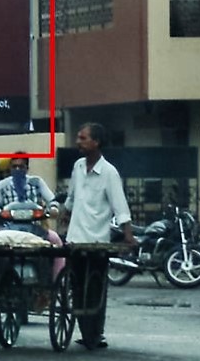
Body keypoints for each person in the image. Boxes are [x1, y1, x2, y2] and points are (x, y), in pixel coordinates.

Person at [63, 123, 134, 350]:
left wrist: (128, 235)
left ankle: (96, 333)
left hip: (97, 241)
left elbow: (120, 206)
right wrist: (62, 213)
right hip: (75, 239)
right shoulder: (77, 167)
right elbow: (71, 198)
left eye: (83, 138)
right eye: (79, 137)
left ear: (96, 142)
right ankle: (86, 331)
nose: (78, 142)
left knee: (95, 289)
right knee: (77, 286)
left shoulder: (109, 173)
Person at [0, 153, 65, 279]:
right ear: (10, 168)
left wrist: (53, 208)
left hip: (35, 229)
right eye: (14, 167)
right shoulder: (2, 186)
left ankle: (57, 280)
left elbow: (51, 199)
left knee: (56, 241)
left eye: (21, 167)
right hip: (7, 230)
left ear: (27, 168)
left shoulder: (36, 182)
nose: (17, 170)